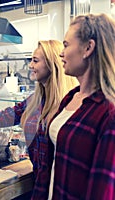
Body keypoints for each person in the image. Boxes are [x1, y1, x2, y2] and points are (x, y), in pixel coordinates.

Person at [0, 40, 78, 199]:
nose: (30, 66)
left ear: (52, 64)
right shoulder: (34, 100)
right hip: (39, 185)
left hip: (60, 190)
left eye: (35, 60)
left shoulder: (70, 103)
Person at [47, 13, 115, 200]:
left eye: (66, 45)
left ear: (88, 48)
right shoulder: (70, 97)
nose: (61, 53)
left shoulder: (108, 113)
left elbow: (102, 192)